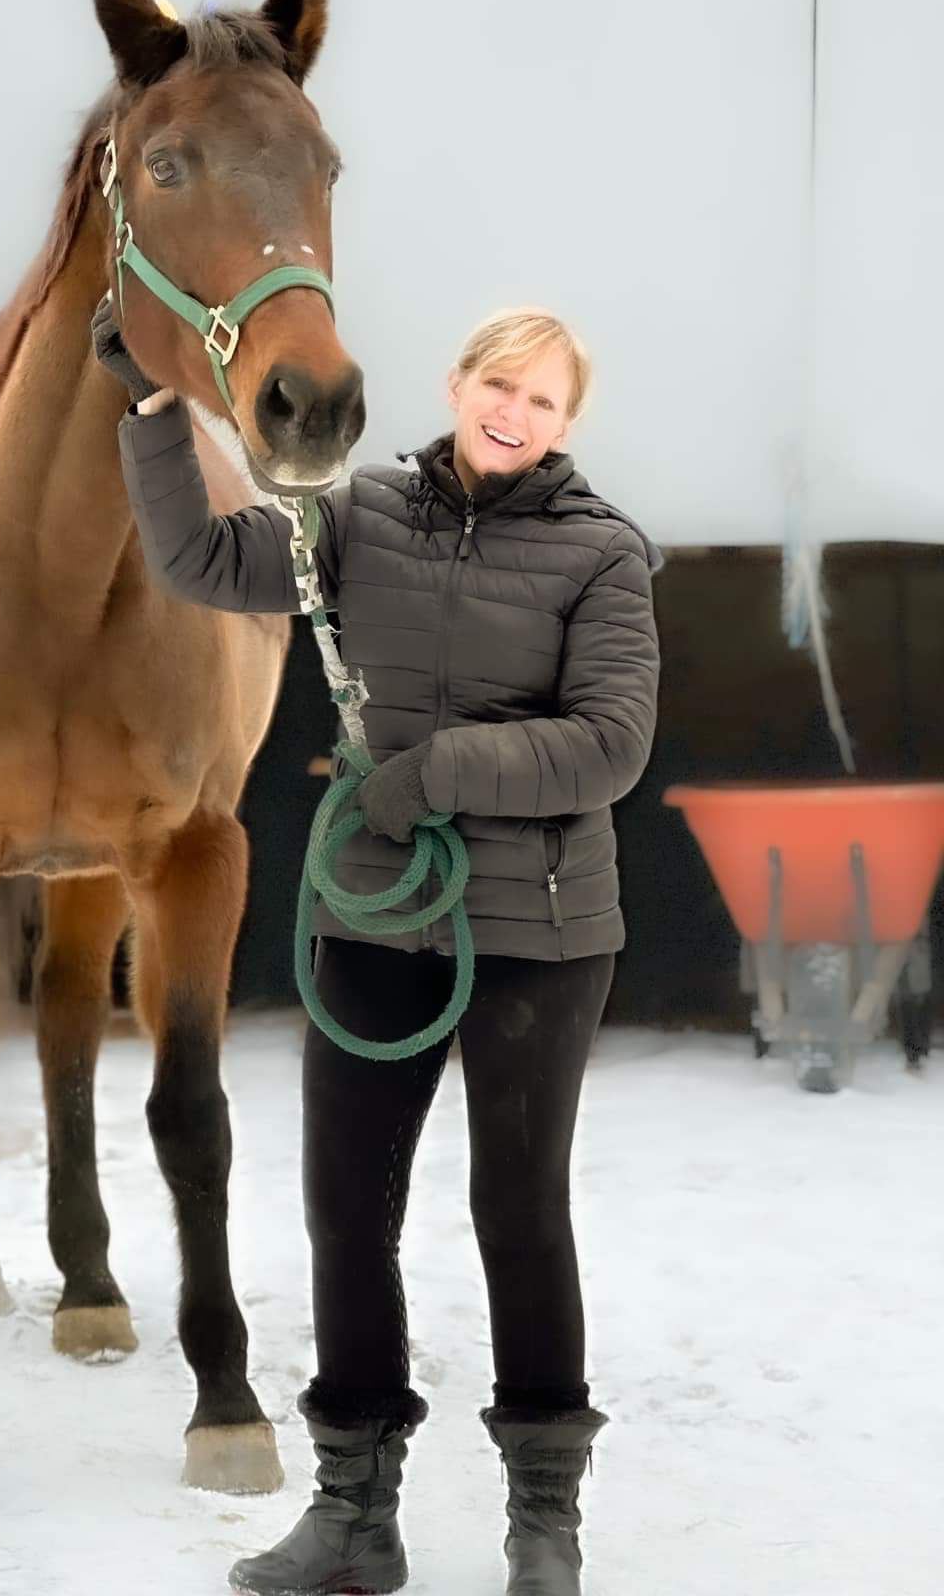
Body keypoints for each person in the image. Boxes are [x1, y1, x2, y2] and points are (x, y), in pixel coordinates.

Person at [93, 299, 662, 1596]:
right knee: (348, 1211)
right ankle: (355, 1516)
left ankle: (543, 1528)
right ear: (460, 384)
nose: (515, 413)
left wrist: (435, 775)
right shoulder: (360, 518)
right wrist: (152, 414)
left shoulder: (603, 558)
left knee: (517, 1210)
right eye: (500, 385)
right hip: (375, 914)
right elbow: (197, 562)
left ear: (566, 425)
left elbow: (610, 742)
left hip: (540, 929)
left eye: (544, 401)